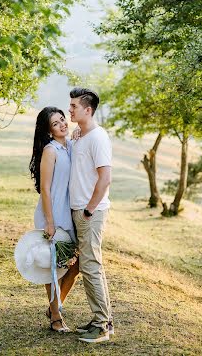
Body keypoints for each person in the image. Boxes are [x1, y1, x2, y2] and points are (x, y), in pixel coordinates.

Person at [69, 87, 113, 344]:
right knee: (90, 266)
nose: (70, 110)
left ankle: (101, 326)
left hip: (90, 213)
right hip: (81, 210)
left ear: (88, 110)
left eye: (74, 106)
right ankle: (102, 319)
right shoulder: (81, 135)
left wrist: (88, 209)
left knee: (91, 267)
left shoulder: (98, 137)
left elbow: (105, 178)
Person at [29, 107, 79, 333]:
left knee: (76, 265)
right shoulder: (51, 150)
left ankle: (55, 306)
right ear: (49, 131)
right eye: (55, 123)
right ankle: (56, 317)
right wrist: (49, 222)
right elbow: (46, 190)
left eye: (62, 119)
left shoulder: (68, 146)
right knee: (54, 267)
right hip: (53, 213)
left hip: (69, 212)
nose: (62, 124)